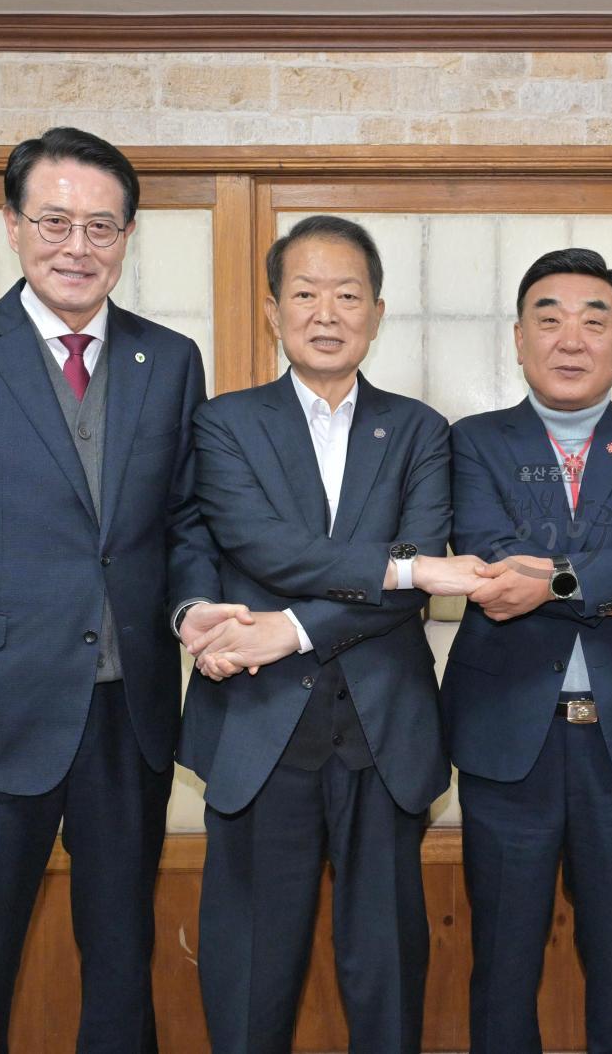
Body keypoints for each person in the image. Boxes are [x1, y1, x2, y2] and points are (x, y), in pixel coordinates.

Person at [0, 126, 238, 1052]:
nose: (77, 246)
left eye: (102, 227)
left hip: (131, 716)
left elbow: (185, 521)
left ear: (127, 238)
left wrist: (194, 610)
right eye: (55, 221)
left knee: (121, 971)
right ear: (11, 226)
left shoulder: (170, 359)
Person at [175, 215, 481, 1054]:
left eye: (347, 295)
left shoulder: (420, 429)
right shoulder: (224, 424)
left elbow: (411, 571)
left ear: (377, 313)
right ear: (273, 311)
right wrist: (404, 571)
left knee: (386, 973)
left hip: (385, 732)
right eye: (305, 293)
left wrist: (294, 628)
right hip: (255, 728)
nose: (326, 312)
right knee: (247, 975)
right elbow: (260, 545)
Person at [441, 248, 612, 1053]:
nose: (571, 338)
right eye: (548, 319)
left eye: (595, 320)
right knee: (503, 963)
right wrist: (602, 579)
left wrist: (555, 584)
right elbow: (489, 555)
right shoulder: (475, 441)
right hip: (508, 738)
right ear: (518, 340)